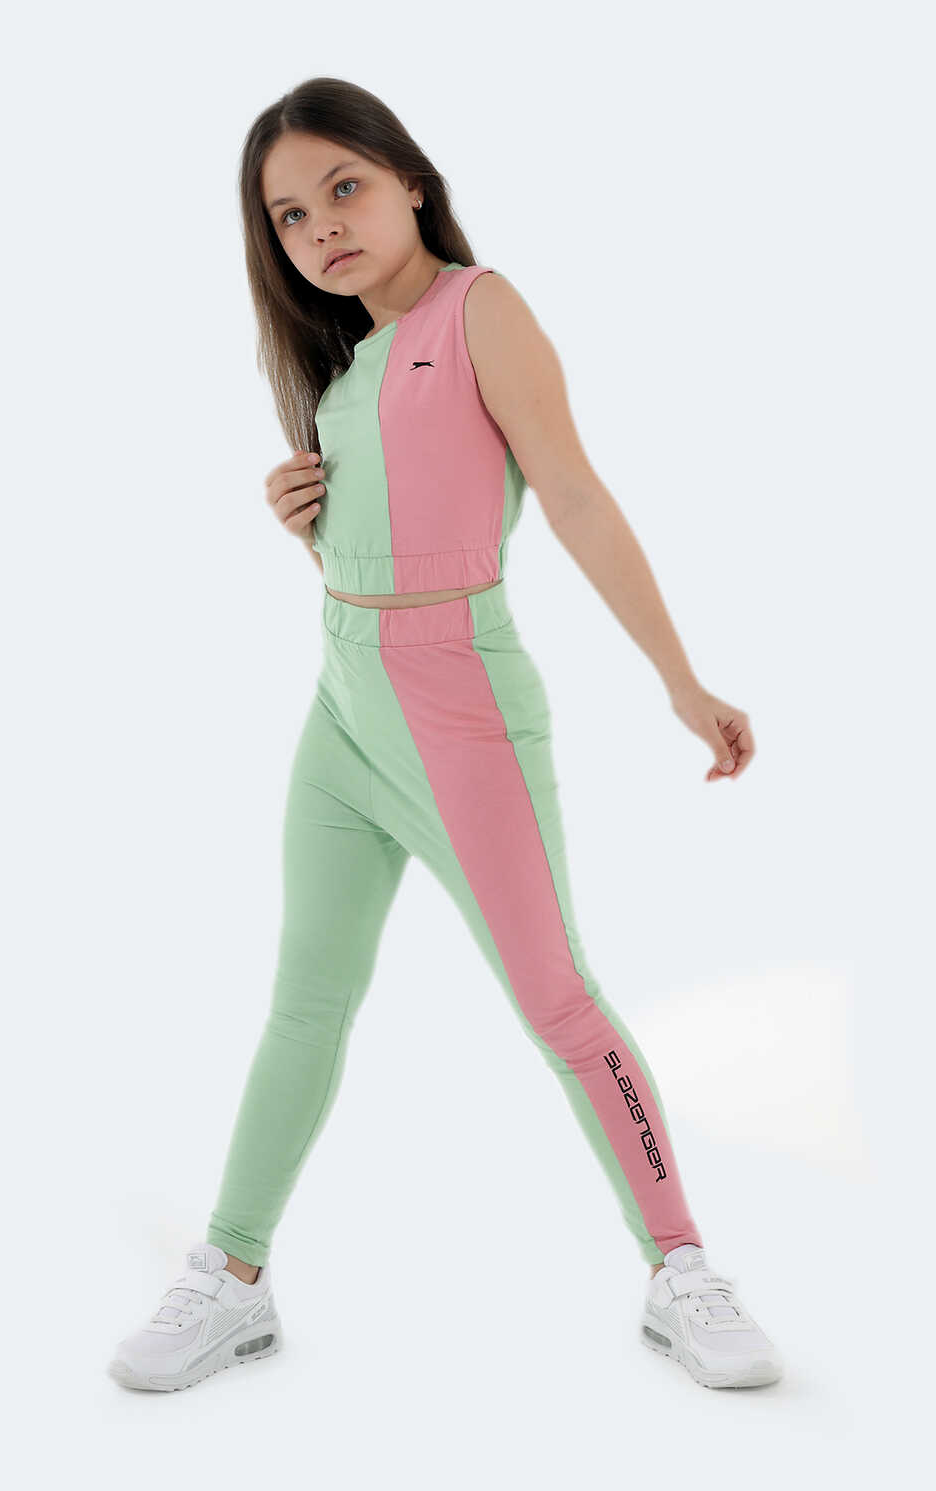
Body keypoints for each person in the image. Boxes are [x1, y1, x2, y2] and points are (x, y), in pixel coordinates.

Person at [108, 76, 784, 1394]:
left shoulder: (481, 308)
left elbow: (572, 495)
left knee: (558, 1002)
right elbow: (381, 556)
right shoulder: (345, 371)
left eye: (344, 188)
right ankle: (230, 1277)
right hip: (341, 712)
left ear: (410, 181)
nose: (321, 226)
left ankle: (682, 1269)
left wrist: (679, 681)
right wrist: (307, 526)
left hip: (462, 710)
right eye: (289, 214)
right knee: (305, 1000)